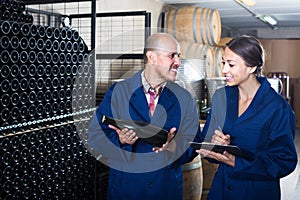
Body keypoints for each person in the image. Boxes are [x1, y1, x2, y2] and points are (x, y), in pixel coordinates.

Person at [88, 33, 201, 200]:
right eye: (172, 55)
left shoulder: (184, 98)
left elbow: (194, 143)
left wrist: (175, 149)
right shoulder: (118, 92)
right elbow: (95, 136)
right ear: (152, 57)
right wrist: (120, 141)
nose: (178, 62)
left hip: (165, 189)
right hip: (126, 188)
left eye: (178, 56)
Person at [197, 35, 298, 200]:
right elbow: (206, 144)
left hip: (256, 192)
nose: (224, 70)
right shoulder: (221, 97)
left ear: (251, 67)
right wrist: (215, 145)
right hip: (222, 189)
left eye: (231, 65)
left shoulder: (277, 107)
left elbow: (284, 162)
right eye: (223, 63)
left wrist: (236, 162)